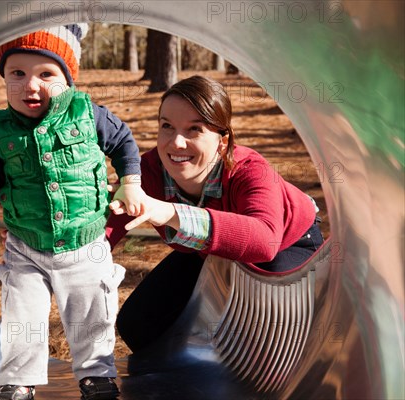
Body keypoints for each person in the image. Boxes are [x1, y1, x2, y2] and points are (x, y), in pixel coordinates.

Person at [0, 24, 145, 400]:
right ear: (4, 77)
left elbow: (123, 143)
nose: (30, 85)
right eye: (17, 74)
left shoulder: (89, 115)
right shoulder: (3, 131)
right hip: (26, 246)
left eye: (46, 74)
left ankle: (96, 376)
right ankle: (18, 381)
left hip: (85, 241)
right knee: (23, 316)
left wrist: (129, 182)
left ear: (68, 78)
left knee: (92, 313)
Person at [106, 75, 323, 353]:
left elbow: (264, 241)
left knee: (264, 330)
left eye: (194, 129)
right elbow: (106, 230)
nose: (176, 143)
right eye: (167, 126)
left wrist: (170, 212)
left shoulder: (250, 169)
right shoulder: (148, 171)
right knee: (138, 324)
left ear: (222, 141)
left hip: (288, 244)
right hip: (208, 252)